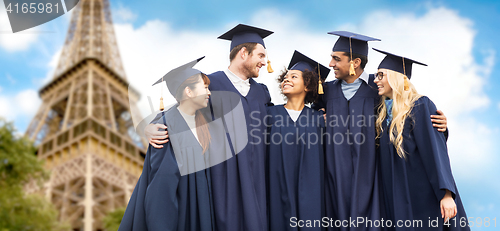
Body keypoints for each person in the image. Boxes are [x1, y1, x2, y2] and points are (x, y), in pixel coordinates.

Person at [313, 31, 448, 231]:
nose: (330, 64)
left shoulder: (376, 92)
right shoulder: (327, 91)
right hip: (335, 176)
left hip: (372, 177)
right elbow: (309, 115)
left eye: (336, 58)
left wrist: (442, 126)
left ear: (355, 62)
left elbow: (408, 113)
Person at [144, 24, 274, 231]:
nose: (264, 61)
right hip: (222, 177)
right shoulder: (211, 84)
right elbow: (181, 108)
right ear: (243, 53)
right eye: (260, 55)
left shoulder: (262, 93)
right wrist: (152, 126)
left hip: (257, 176)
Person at [373, 48, 469, 231]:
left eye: (380, 75)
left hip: (422, 197)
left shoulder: (420, 106)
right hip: (396, 199)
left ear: (396, 78)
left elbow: (435, 150)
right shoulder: (383, 114)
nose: (375, 80)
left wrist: (446, 194)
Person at [118, 58, 216, 231]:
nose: (209, 92)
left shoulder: (201, 123)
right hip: (180, 217)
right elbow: (161, 189)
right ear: (189, 92)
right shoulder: (166, 127)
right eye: (205, 87)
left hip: (200, 210)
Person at [266, 50, 328, 230]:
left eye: (293, 76)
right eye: (285, 77)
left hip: (311, 192)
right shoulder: (269, 114)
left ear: (307, 85)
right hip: (277, 189)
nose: (286, 79)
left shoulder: (318, 119)